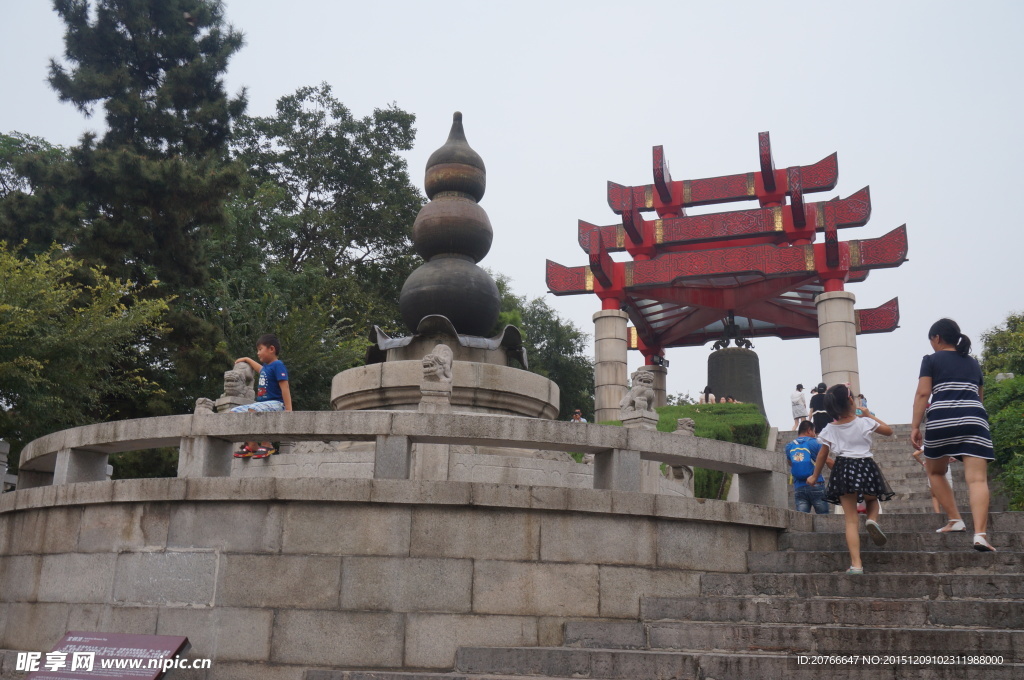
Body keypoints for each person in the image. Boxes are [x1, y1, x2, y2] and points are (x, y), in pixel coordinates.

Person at [911, 318, 995, 550]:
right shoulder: (973, 363)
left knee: (935, 471)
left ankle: (955, 519)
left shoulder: (930, 360)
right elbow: (979, 397)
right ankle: (980, 534)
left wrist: (915, 426)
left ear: (937, 338)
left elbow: (922, 394)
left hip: (941, 419)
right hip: (974, 418)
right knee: (977, 479)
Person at [808, 383, 894, 574]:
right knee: (873, 500)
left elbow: (823, 454)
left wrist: (815, 475)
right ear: (850, 400)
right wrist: (869, 415)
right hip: (865, 465)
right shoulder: (864, 422)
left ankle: (856, 564)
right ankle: (872, 520)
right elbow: (888, 430)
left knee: (851, 520)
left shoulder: (830, 428)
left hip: (844, 468)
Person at [231, 333, 292, 459]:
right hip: (262, 405)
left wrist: (288, 409)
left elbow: (285, 387)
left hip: (276, 404)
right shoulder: (265, 368)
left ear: (271, 349)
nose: (258, 353)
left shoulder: (278, 365)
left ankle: (267, 444)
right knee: (234, 412)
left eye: (260, 349)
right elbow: (258, 368)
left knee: (254, 410)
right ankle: (252, 444)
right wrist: (247, 359)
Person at [785, 420, 834, 513]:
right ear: (809, 430)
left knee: (802, 519)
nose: (814, 434)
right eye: (814, 431)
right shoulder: (816, 443)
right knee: (823, 517)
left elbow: (791, 463)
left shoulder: (789, 446)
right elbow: (827, 460)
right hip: (816, 484)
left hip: (799, 487)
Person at [912, 449, 955, 518]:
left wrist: (923, 463)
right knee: (948, 492)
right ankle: (951, 513)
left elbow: (915, 454)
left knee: (935, 494)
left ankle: (938, 513)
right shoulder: (943, 442)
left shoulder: (928, 443)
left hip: (932, 467)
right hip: (945, 467)